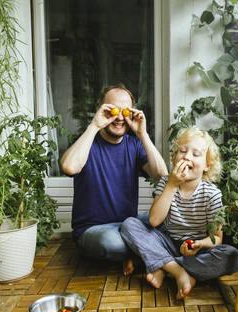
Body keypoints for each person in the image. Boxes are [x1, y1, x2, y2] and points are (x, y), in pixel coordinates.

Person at [120, 126, 238, 299]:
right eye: (182, 151)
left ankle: (163, 266)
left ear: (207, 165)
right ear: (175, 157)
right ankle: (179, 272)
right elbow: (154, 221)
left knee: (232, 256)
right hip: (167, 243)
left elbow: (217, 238)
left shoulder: (212, 194)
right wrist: (172, 184)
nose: (186, 156)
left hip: (196, 252)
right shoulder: (165, 183)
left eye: (196, 154)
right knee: (129, 225)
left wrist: (200, 244)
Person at [61, 84, 167, 275]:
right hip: (94, 231)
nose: (119, 118)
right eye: (113, 110)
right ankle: (141, 251)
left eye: (125, 111)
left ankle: (132, 254)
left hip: (128, 225)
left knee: (166, 218)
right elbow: (69, 167)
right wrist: (94, 126)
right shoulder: (87, 142)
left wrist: (142, 134)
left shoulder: (134, 144)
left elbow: (161, 174)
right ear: (101, 111)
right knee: (111, 242)